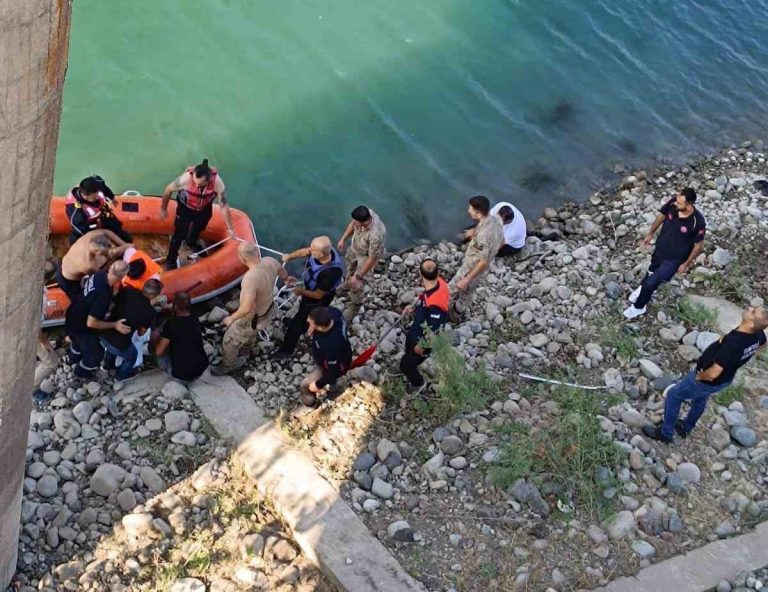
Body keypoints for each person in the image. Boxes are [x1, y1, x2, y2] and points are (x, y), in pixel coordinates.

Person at [643, 306, 768, 443]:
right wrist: (740, 355)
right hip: (724, 380)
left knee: (674, 395)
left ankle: (665, 434)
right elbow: (763, 344)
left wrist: (699, 377)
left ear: (751, 323)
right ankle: (686, 427)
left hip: (706, 379)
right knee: (700, 399)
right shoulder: (756, 334)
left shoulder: (733, 344)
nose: (750, 308)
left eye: (753, 311)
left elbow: (713, 373)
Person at [624, 188, 706, 320]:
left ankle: (639, 307)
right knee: (651, 271)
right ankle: (642, 290)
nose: (676, 203)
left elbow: (699, 246)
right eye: (677, 199)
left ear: (689, 205)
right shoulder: (673, 203)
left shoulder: (697, 222)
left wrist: (686, 264)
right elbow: (661, 216)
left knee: (650, 283)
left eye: (680, 203)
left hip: (674, 259)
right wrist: (650, 233)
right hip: (661, 249)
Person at [211, 244, 294, 375]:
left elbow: (246, 307)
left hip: (251, 318)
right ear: (257, 252)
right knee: (251, 334)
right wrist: (286, 279)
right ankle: (245, 350)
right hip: (267, 312)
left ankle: (229, 365)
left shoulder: (250, 278)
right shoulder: (269, 261)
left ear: (242, 258)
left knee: (229, 341)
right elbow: (281, 272)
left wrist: (231, 318)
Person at [276, 236, 345, 358]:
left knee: (296, 325)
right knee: (302, 311)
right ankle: (303, 324)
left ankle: (286, 350)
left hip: (318, 300)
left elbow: (319, 295)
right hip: (310, 291)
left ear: (322, 254)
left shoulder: (331, 272)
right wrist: (290, 256)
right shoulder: (320, 252)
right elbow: (305, 251)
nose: (309, 251)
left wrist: (301, 291)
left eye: (313, 250)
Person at [160, 159, 235, 270]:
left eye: (199, 184)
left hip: (204, 208)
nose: (195, 185)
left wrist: (230, 227)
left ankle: (191, 241)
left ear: (208, 181)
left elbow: (223, 205)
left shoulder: (217, 183)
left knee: (199, 227)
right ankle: (171, 259)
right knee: (179, 234)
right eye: (194, 181)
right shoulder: (185, 179)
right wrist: (163, 209)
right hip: (186, 208)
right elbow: (168, 190)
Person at [64, 261, 130, 379]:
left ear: (110, 268)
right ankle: (81, 373)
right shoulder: (103, 294)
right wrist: (114, 325)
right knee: (96, 354)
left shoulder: (99, 275)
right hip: (82, 327)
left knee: (76, 343)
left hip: (73, 314)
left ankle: (72, 359)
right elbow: (92, 323)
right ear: (123, 276)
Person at [449, 195, 504, 322]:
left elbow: (483, 261)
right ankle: (456, 315)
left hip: (471, 268)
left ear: (478, 213)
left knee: (451, 290)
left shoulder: (483, 237)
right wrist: (474, 231)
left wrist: (467, 279)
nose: (468, 211)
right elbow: (502, 241)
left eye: (470, 209)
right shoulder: (497, 219)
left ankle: (437, 311)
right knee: (468, 294)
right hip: (484, 271)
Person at [399, 259, 450, 394]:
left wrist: (423, 345)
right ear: (437, 272)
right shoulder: (441, 283)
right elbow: (425, 301)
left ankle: (418, 384)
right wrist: (414, 309)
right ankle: (409, 365)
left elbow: (434, 329)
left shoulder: (435, 304)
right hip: (416, 330)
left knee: (406, 365)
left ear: (421, 274)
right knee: (408, 349)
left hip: (423, 340)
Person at [100, 279, 161, 390]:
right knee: (131, 357)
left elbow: (113, 303)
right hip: (119, 342)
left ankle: (107, 366)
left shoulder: (127, 291)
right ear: (153, 295)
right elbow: (140, 332)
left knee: (111, 348)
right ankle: (120, 377)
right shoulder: (150, 312)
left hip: (104, 331)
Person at [336, 205, 387, 323]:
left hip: (366, 256)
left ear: (363, 222)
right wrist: (343, 239)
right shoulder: (366, 213)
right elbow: (352, 225)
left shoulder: (376, 235)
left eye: (355, 222)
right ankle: (347, 285)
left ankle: (355, 306)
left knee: (357, 284)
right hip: (355, 248)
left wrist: (359, 276)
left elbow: (372, 258)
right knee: (349, 269)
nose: (353, 223)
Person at [57, 230, 131, 302]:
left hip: (65, 262)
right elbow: (101, 274)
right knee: (81, 301)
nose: (105, 254)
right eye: (103, 253)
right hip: (67, 280)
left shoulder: (91, 236)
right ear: (96, 251)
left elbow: (106, 232)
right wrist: (115, 255)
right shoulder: (87, 264)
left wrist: (124, 244)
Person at [300, 306, 353, 407]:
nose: (307, 320)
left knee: (305, 386)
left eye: (310, 322)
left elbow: (333, 370)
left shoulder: (332, 344)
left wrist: (318, 384)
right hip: (343, 353)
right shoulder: (334, 313)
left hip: (335, 364)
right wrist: (312, 326)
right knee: (331, 377)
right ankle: (333, 385)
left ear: (320, 327)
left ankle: (313, 404)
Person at [155, 292, 209, 384]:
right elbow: (182, 308)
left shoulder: (171, 324)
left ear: (175, 307)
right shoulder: (194, 318)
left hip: (181, 376)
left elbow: (158, 352)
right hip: (200, 369)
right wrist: (167, 307)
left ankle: (174, 378)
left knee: (157, 352)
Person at [66, 175, 132, 244]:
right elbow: (81, 230)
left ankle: (120, 234)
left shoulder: (96, 184)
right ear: (84, 196)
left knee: (115, 224)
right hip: (88, 223)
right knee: (77, 238)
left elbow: (103, 187)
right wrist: (98, 228)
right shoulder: (76, 211)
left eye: (98, 194)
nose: (98, 197)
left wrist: (111, 197)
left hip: (101, 213)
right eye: (94, 196)